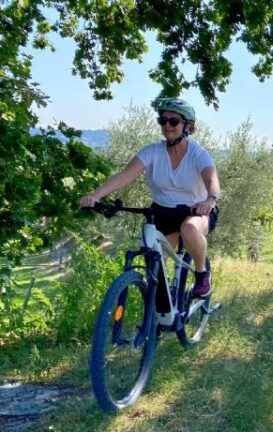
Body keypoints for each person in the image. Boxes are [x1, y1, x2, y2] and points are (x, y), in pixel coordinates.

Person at [80, 97, 220, 297]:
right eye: (162, 120)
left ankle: (202, 274)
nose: (167, 126)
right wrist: (95, 195)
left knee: (189, 229)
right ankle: (159, 315)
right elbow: (125, 175)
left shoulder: (199, 154)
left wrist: (211, 199)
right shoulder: (152, 152)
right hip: (162, 212)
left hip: (196, 211)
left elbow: (212, 179)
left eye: (173, 121)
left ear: (187, 126)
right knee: (153, 263)